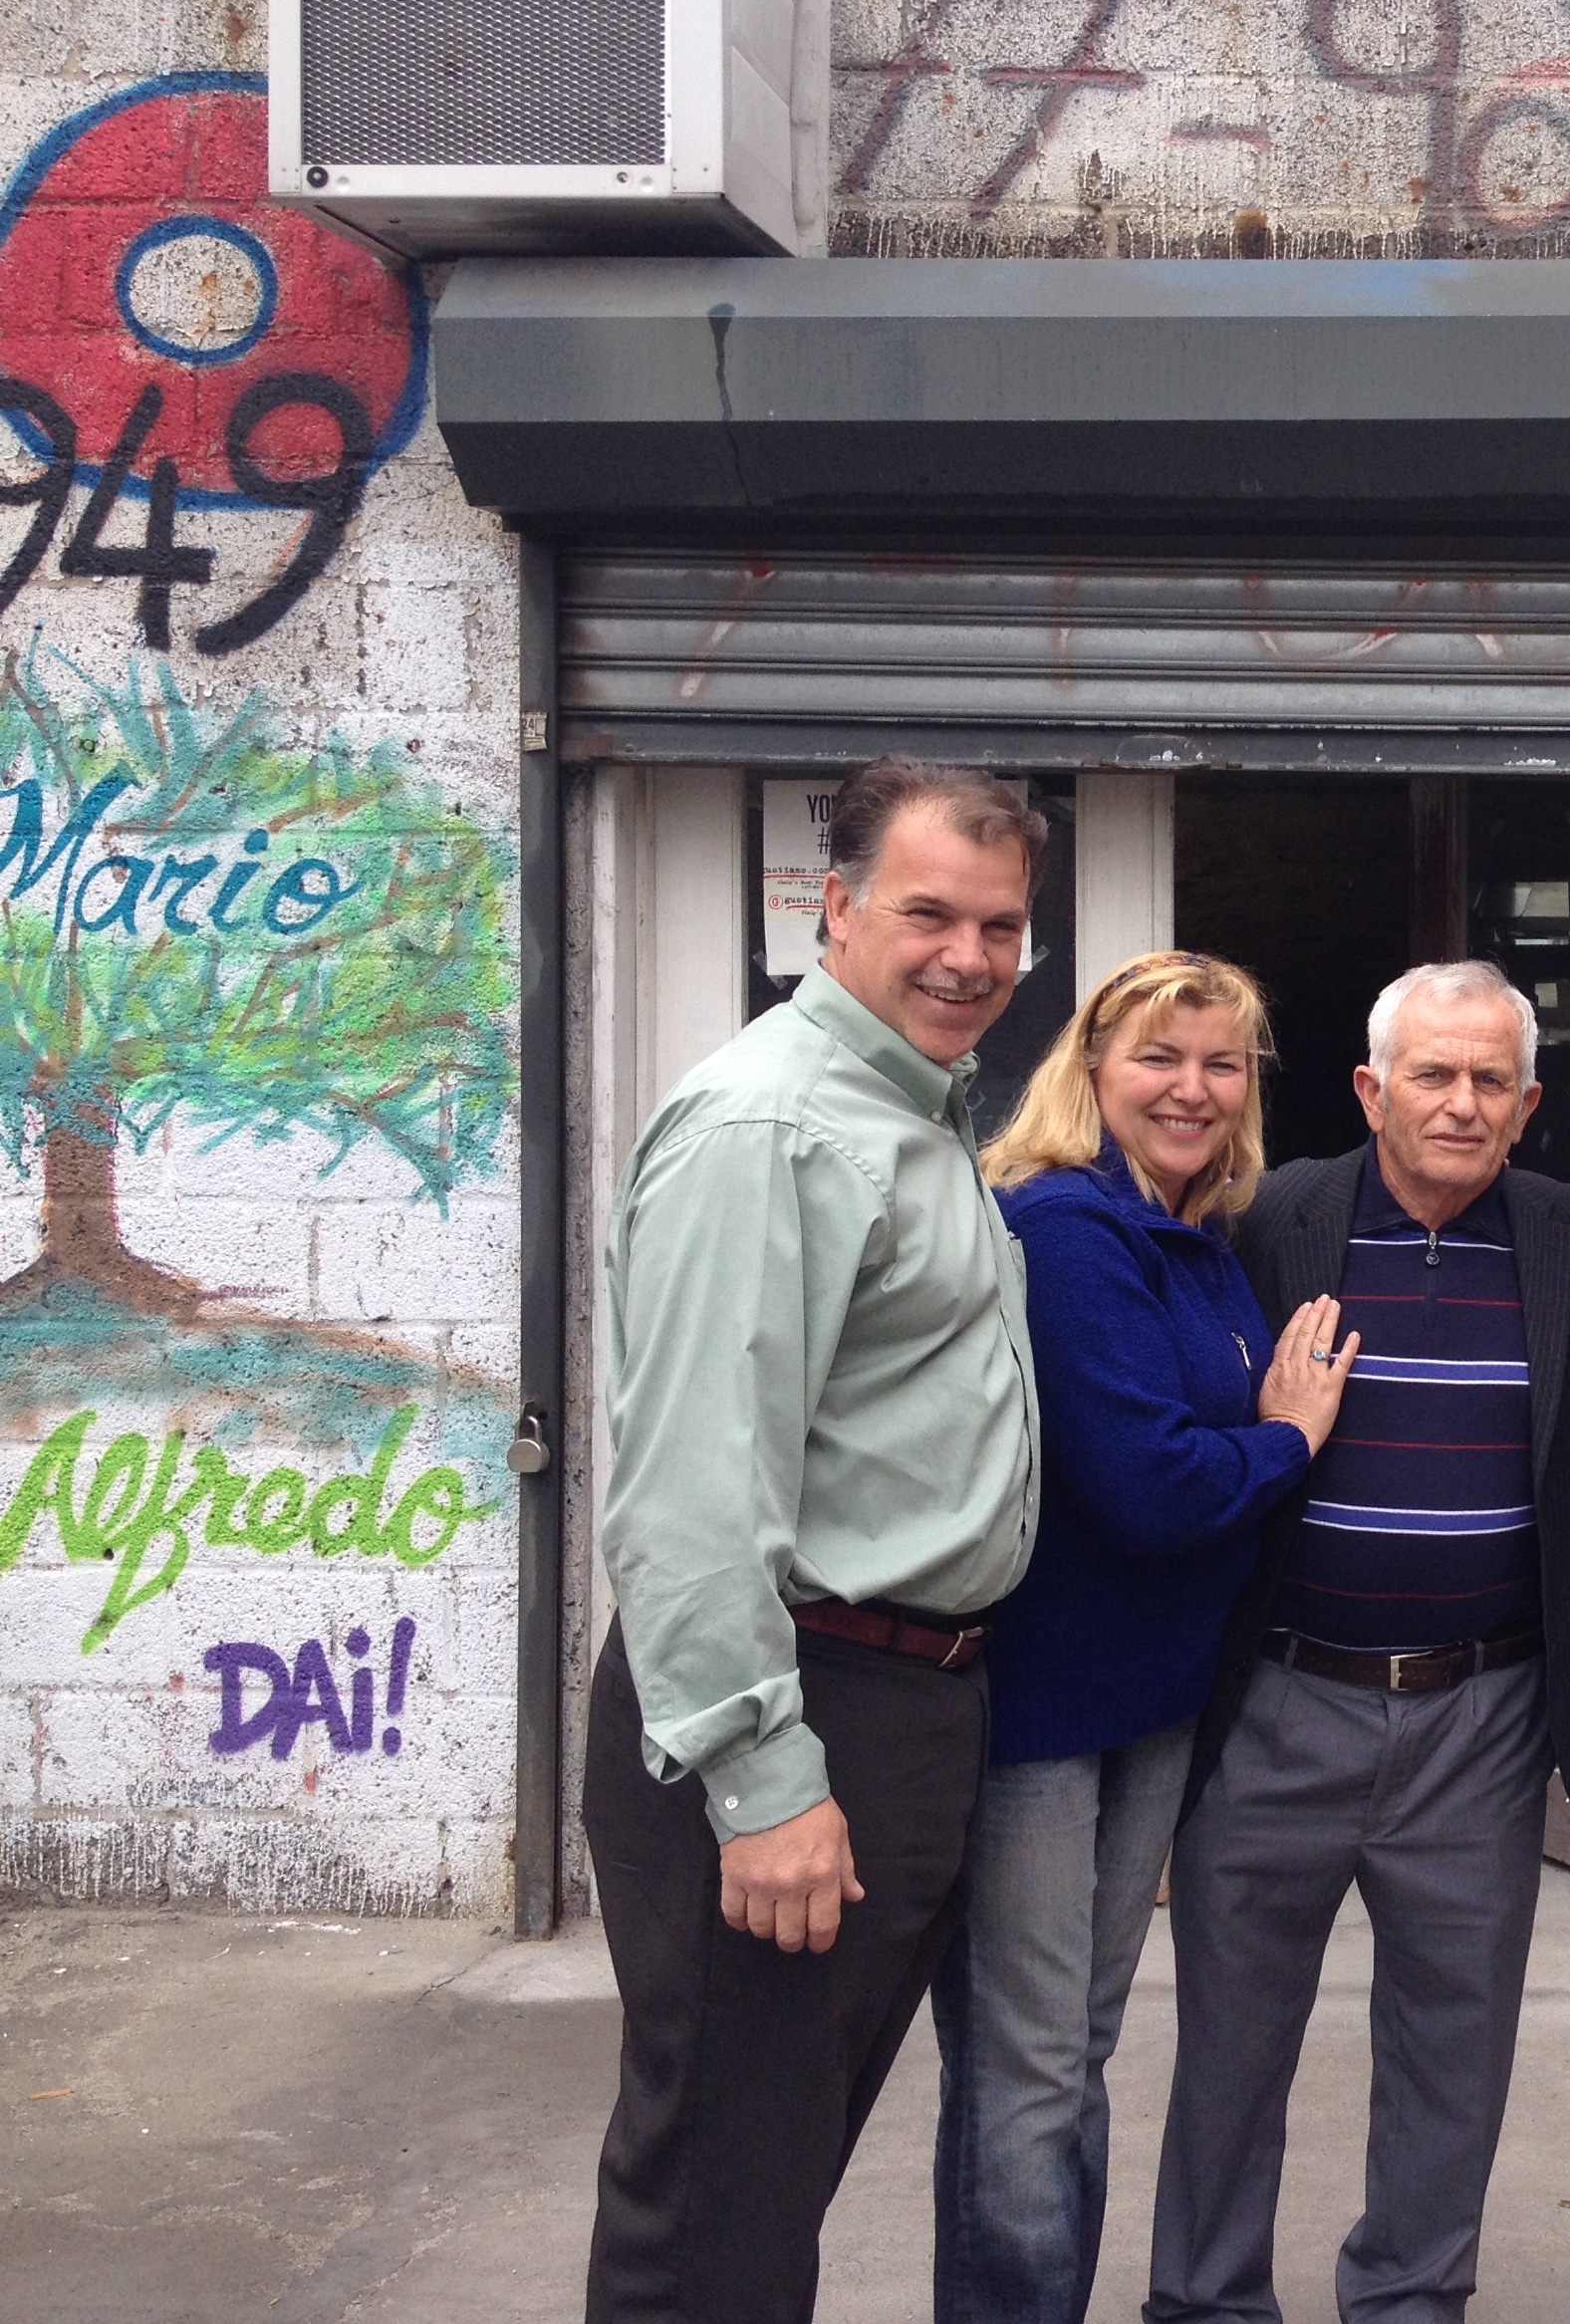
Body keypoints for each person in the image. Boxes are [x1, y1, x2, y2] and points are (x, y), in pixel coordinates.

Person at [584, 756, 1049, 2324]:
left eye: (1002, 926)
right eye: (928, 913)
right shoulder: (771, 1126)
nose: (969, 957)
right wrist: (765, 1782)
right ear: (833, 908)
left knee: (769, 2178)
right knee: (715, 2210)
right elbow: (693, 1491)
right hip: (797, 1705)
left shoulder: (905, 1114)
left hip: (898, 1704)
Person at [1145, 958, 1570, 2324]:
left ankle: (1411, 2303)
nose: (1462, 1104)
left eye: (1492, 1079)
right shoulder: (1269, 1219)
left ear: (1532, 1103)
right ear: (1372, 1089)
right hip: (1278, 1704)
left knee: (1451, 2050)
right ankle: (1203, 2303)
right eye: (1432, 1073)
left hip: (1481, 1714)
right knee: (1231, 2048)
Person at [934, 949, 1361, 2320]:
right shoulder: (1068, 1229)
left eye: (1221, 1064)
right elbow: (1147, 1483)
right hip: (1042, 1708)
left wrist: (1243, 1448)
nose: (1191, 1088)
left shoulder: (1193, 1239)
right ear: (1091, 1071)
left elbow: (1191, 1460)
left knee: (1080, 2044)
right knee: (1030, 2067)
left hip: (1151, 1701)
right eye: (1158, 1059)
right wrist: (1286, 1442)